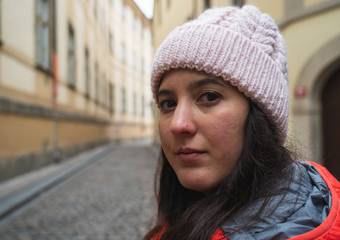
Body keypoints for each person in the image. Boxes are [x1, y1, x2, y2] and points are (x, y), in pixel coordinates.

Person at [144, 5, 340, 240]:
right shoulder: (186, 210)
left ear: (260, 114)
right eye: (168, 103)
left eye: (209, 97)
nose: (178, 124)